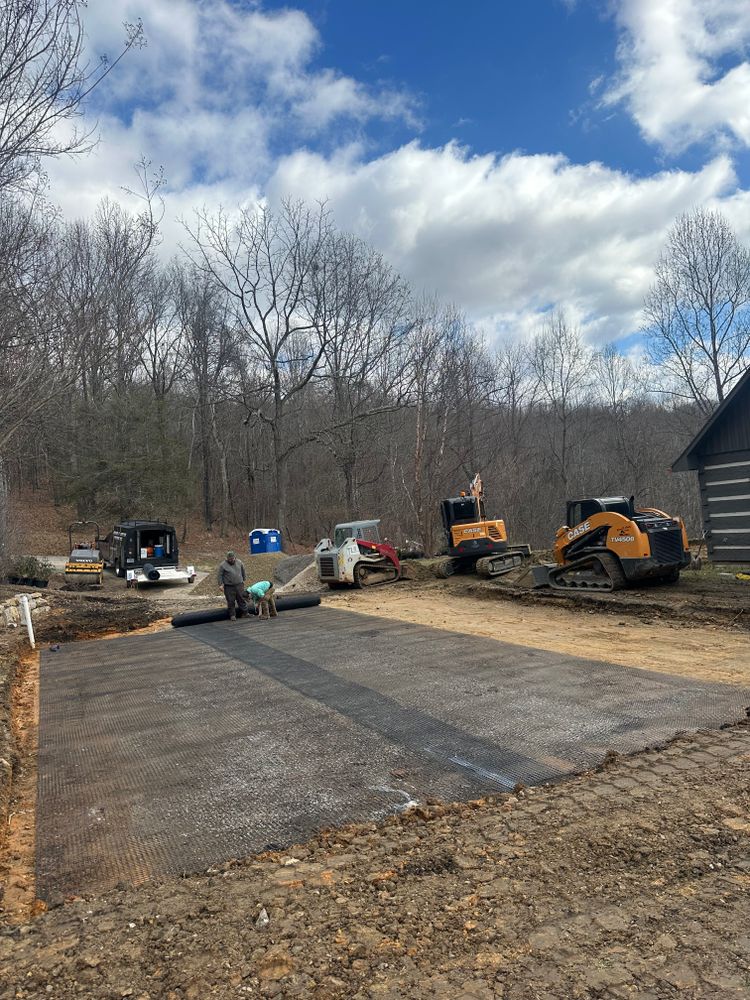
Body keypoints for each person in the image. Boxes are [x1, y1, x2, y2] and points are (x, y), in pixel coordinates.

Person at [217, 551, 248, 620]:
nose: (231, 560)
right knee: (231, 601)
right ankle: (232, 615)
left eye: (232, 559)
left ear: (235, 557)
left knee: (241, 599)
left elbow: (243, 571)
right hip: (229, 586)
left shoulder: (239, 562)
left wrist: (244, 579)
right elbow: (220, 575)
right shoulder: (223, 565)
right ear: (227, 558)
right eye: (229, 559)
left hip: (239, 584)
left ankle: (245, 613)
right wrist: (220, 585)